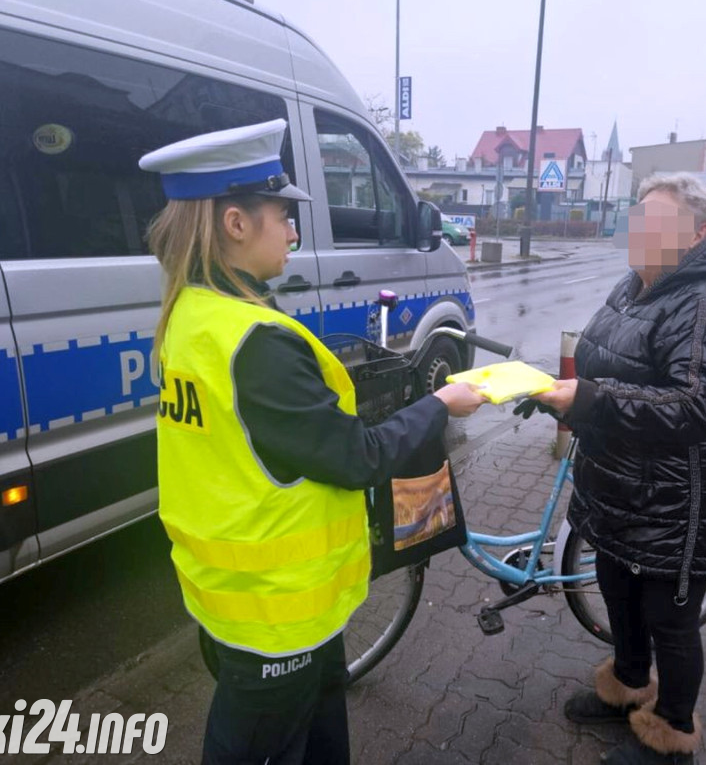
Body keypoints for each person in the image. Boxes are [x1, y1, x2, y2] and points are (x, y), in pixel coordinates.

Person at [139, 119, 485, 765]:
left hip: (248, 607)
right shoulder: (258, 344)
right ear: (236, 224)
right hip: (278, 625)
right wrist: (442, 403)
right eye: (281, 214)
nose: (294, 231)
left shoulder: (189, 314)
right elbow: (358, 457)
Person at [532, 174, 706, 765]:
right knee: (618, 591)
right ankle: (627, 685)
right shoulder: (637, 285)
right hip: (619, 485)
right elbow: (604, 365)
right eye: (638, 218)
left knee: (670, 620)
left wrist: (585, 400)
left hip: (681, 502)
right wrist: (555, 390)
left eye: (657, 221)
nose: (639, 231)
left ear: (699, 233)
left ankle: (671, 729)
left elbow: (693, 408)